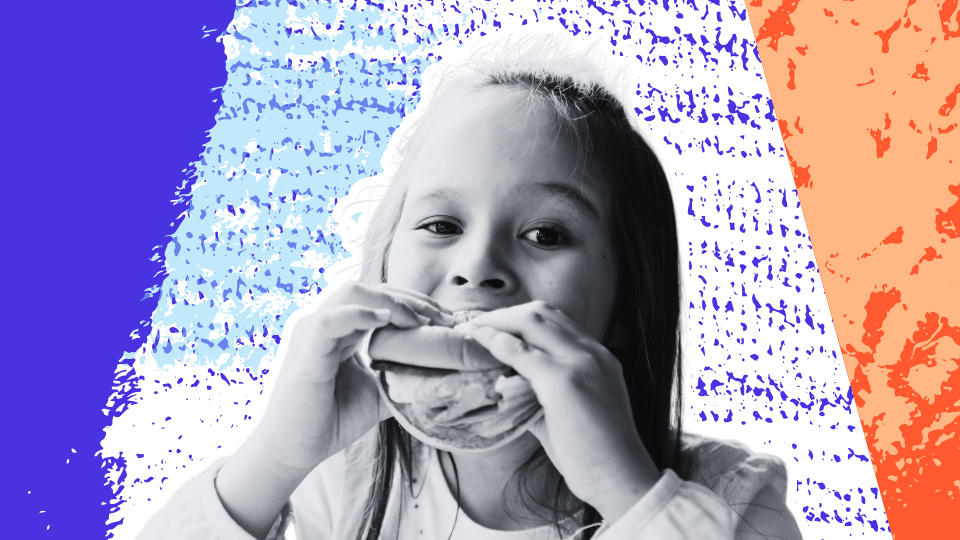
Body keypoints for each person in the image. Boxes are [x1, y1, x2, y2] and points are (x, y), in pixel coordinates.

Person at [136, 32, 803, 540]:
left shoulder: (731, 496)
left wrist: (625, 489)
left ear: (628, 304)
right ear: (385, 270)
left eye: (546, 234)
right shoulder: (332, 481)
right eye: (440, 223)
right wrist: (276, 456)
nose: (477, 265)